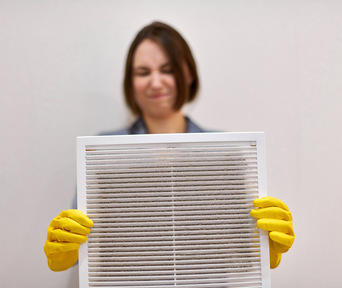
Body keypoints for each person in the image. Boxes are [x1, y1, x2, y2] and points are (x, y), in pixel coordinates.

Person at [44, 21, 295, 272]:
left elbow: (237, 250)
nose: (155, 82)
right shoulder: (100, 154)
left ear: (188, 74)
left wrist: (262, 247)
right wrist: (65, 248)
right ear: (130, 82)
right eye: (143, 72)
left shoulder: (225, 154)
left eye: (167, 70)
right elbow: (81, 245)